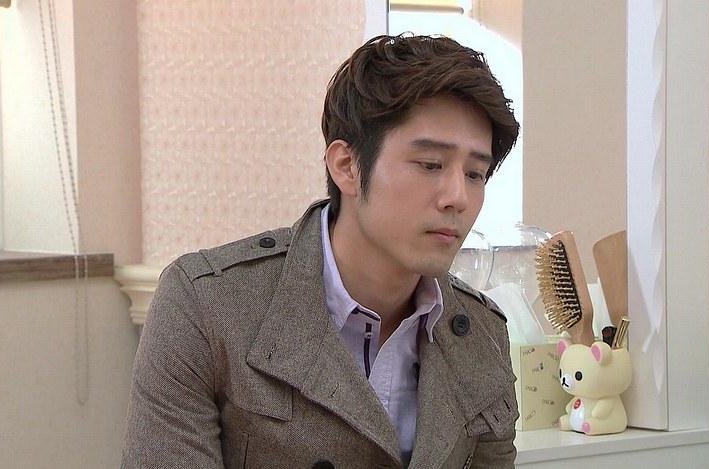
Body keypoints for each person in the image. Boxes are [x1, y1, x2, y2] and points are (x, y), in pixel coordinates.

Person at [122, 34, 520, 468]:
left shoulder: (482, 334)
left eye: (475, 174)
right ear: (346, 166)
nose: (457, 197)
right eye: (430, 165)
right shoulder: (205, 305)